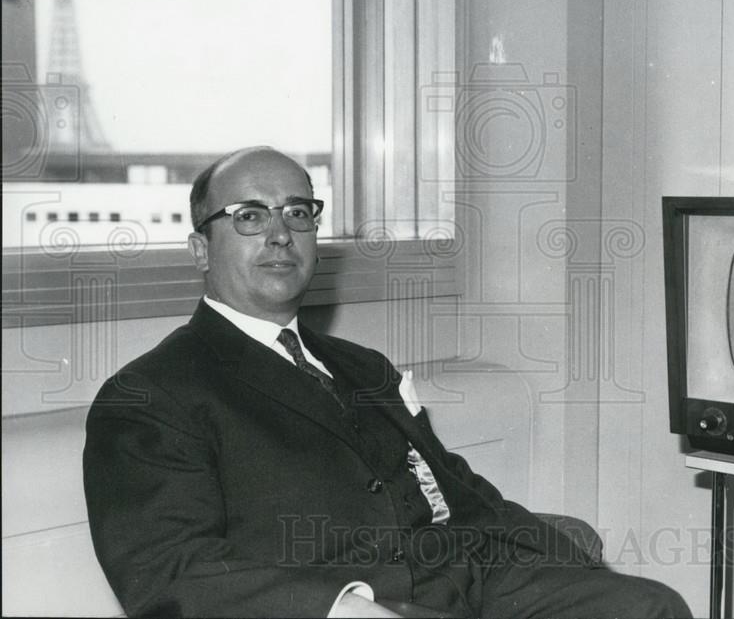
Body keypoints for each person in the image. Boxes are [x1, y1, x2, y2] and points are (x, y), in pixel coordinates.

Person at [83, 146, 691, 618]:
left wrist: (562, 553)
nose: (279, 234)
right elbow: (167, 571)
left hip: (465, 582)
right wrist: (347, 608)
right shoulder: (151, 395)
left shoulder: (361, 366)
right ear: (199, 248)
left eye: (298, 212)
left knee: (648, 607)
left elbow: (458, 491)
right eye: (249, 216)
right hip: (345, 607)